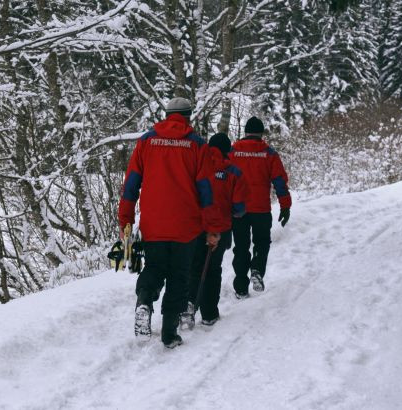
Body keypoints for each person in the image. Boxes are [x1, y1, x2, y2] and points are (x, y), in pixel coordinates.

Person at [118, 97, 224, 348]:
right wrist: (212, 228)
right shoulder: (197, 145)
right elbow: (207, 191)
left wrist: (126, 220)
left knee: (154, 268)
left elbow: (131, 183)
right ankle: (168, 333)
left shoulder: (146, 141)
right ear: (188, 117)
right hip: (186, 226)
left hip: (153, 224)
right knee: (179, 276)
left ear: (167, 115)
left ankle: (144, 300)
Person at [182, 132, 248, 328]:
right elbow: (239, 206)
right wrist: (236, 213)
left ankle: (189, 305)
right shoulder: (234, 172)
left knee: (194, 268)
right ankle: (209, 313)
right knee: (212, 269)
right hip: (220, 227)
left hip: (194, 226)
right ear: (227, 151)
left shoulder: (194, 166)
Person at [229, 117, 291, 298]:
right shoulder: (269, 153)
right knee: (262, 243)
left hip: (238, 210)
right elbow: (279, 181)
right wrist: (285, 206)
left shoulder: (233, 151)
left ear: (246, 132)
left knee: (241, 247)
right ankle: (257, 269)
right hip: (261, 209)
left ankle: (241, 287)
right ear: (261, 134)